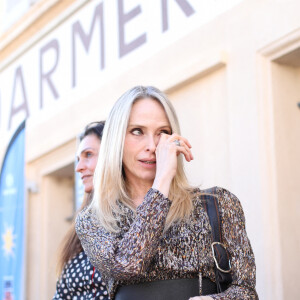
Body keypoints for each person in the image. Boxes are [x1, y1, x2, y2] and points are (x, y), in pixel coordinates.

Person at [75, 86, 258, 300]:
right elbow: (127, 265)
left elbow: (247, 292)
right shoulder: (93, 220)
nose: (152, 146)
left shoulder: (218, 204)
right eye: (137, 131)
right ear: (116, 140)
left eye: (163, 132)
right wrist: (161, 182)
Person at [53, 121, 109, 300]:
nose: (79, 167)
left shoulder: (140, 216)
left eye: (88, 155)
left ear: (112, 154)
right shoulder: (83, 222)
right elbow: (61, 294)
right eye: (79, 159)